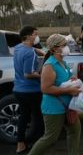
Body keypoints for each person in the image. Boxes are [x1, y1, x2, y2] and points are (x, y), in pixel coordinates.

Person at [28, 34, 81, 155]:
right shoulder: (49, 65)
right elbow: (45, 88)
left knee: (75, 131)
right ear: (54, 49)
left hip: (68, 106)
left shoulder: (63, 62)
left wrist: (72, 79)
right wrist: (69, 90)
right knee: (50, 138)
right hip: (54, 108)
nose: (67, 47)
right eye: (64, 45)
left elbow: (65, 78)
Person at [13, 26, 44, 154]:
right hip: (31, 90)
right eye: (35, 34)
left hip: (18, 89)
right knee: (38, 117)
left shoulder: (18, 48)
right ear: (28, 36)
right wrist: (43, 76)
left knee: (24, 116)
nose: (36, 36)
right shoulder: (29, 52)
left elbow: (29, 48)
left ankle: (20, 145)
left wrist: (40, 51)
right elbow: (28, 74)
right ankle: (38, 145)